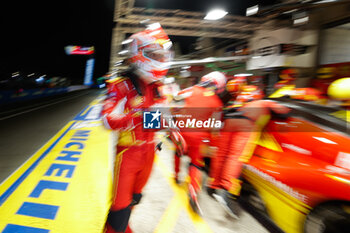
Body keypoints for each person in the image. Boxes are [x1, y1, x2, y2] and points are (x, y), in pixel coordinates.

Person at [101, 23, 173, 233]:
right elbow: (106, 119)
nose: (161, 60)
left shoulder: (157, 88)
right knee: (120, 208)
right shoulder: (121, 85)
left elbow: (157, 121)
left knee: (134, 199)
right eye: (154, 55)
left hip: (150, 152)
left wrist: (167, 131)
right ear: (138, 53)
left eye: (162, 55)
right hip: (128, 154)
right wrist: (134, 117)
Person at [207, 80, 290, 219]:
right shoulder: (263, 103)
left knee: (221, 155)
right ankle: (227, 191)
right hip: (245, 126)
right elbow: (284, 112)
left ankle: (213, 186)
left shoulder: (238, 104)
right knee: (235, 157)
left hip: (229, 122)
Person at [171, 71, 226, 214]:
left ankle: (177, 176)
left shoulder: (189, 90)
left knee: (177, 152)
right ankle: (194, 192)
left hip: (182, 130)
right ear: (217, 87)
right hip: (201, 137)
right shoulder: (218, 103)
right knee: (196, 164)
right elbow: (215, 128)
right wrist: (213, 144)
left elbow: (174, 104)